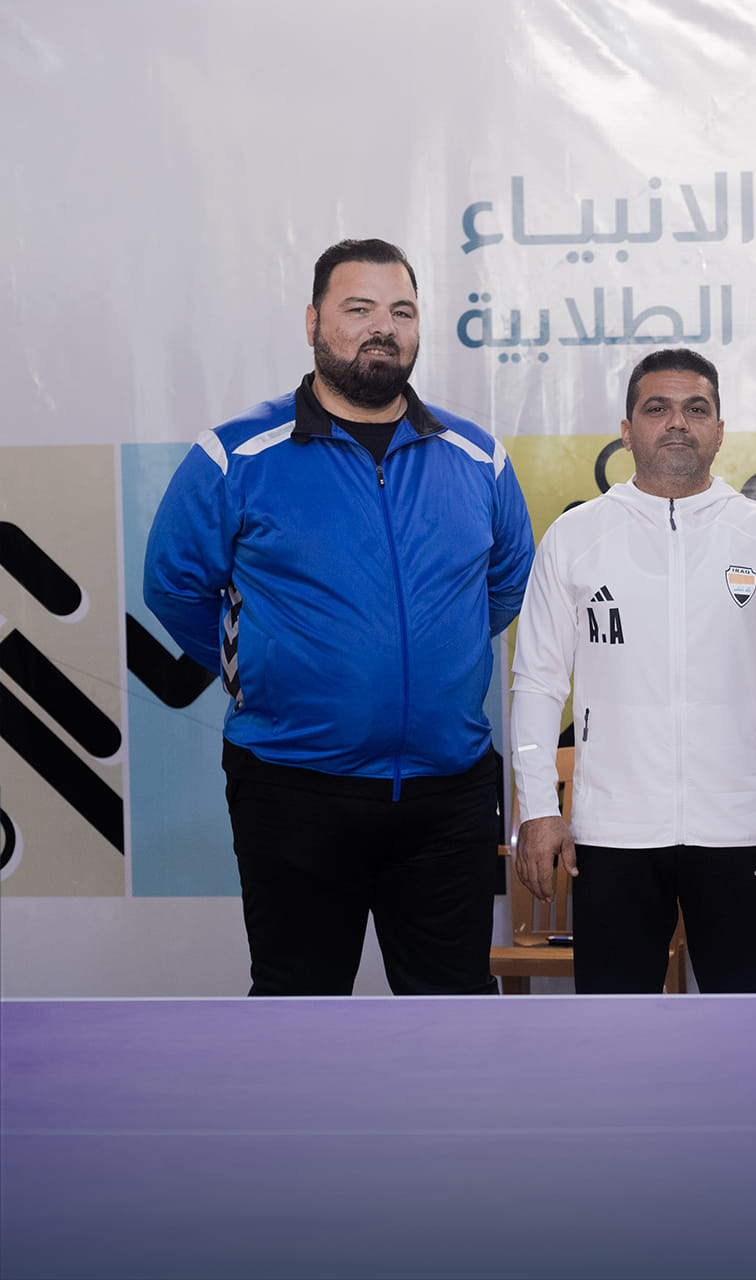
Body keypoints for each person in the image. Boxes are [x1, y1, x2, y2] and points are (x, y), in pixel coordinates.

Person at [144, 237, 535, 996]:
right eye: (359, 308)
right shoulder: (236, 455)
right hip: (292, 787)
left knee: (453, 1012)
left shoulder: (478, 457)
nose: (382, 327)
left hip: (448, 792)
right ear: (313, 322)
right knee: (298, 1008)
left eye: (402, 311)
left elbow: (505, 583)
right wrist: (264, 669)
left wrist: (424, 661)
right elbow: (175, 587)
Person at [509, 349, 756, 994]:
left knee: (746, 1031)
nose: (677, 422)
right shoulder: (575, 536)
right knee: (613, 1033)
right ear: (627, 430)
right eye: (657, 408)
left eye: (696, 409)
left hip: (739, 830)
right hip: (610, 834)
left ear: (720, 429)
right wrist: (539, 810)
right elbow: (537, 684)